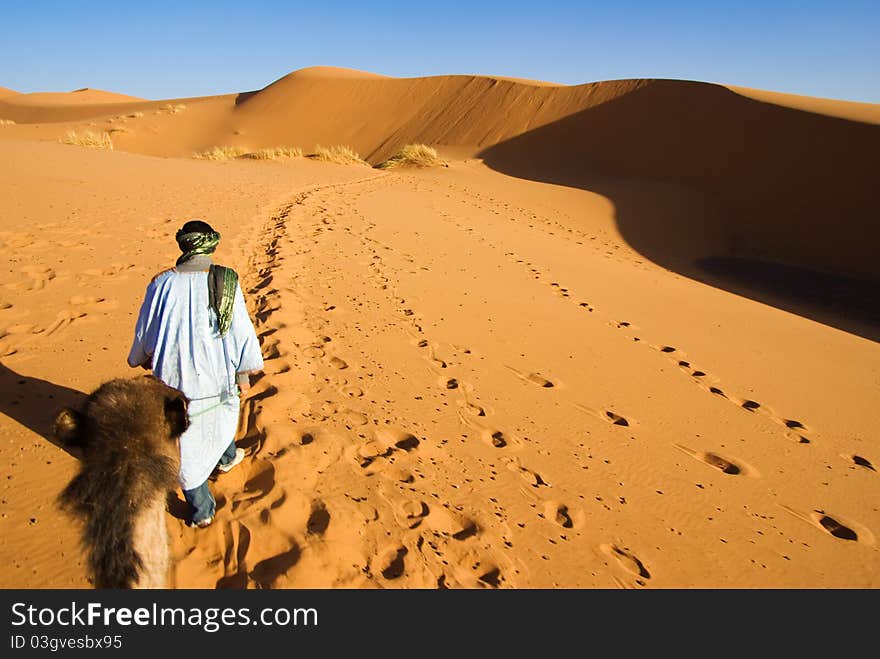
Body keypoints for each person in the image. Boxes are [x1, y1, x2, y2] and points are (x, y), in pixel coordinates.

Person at [127, 219, 264, 528]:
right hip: (215, 377)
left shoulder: (161, 283)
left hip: (174, 380)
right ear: (211, 244)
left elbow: (146, 331)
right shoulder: (226, 280)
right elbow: (242, 332)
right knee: (203, 434)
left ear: (184, 245)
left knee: (187, 440)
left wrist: (143, 356)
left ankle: (222, 465)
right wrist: (243, 373)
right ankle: (204, 508)